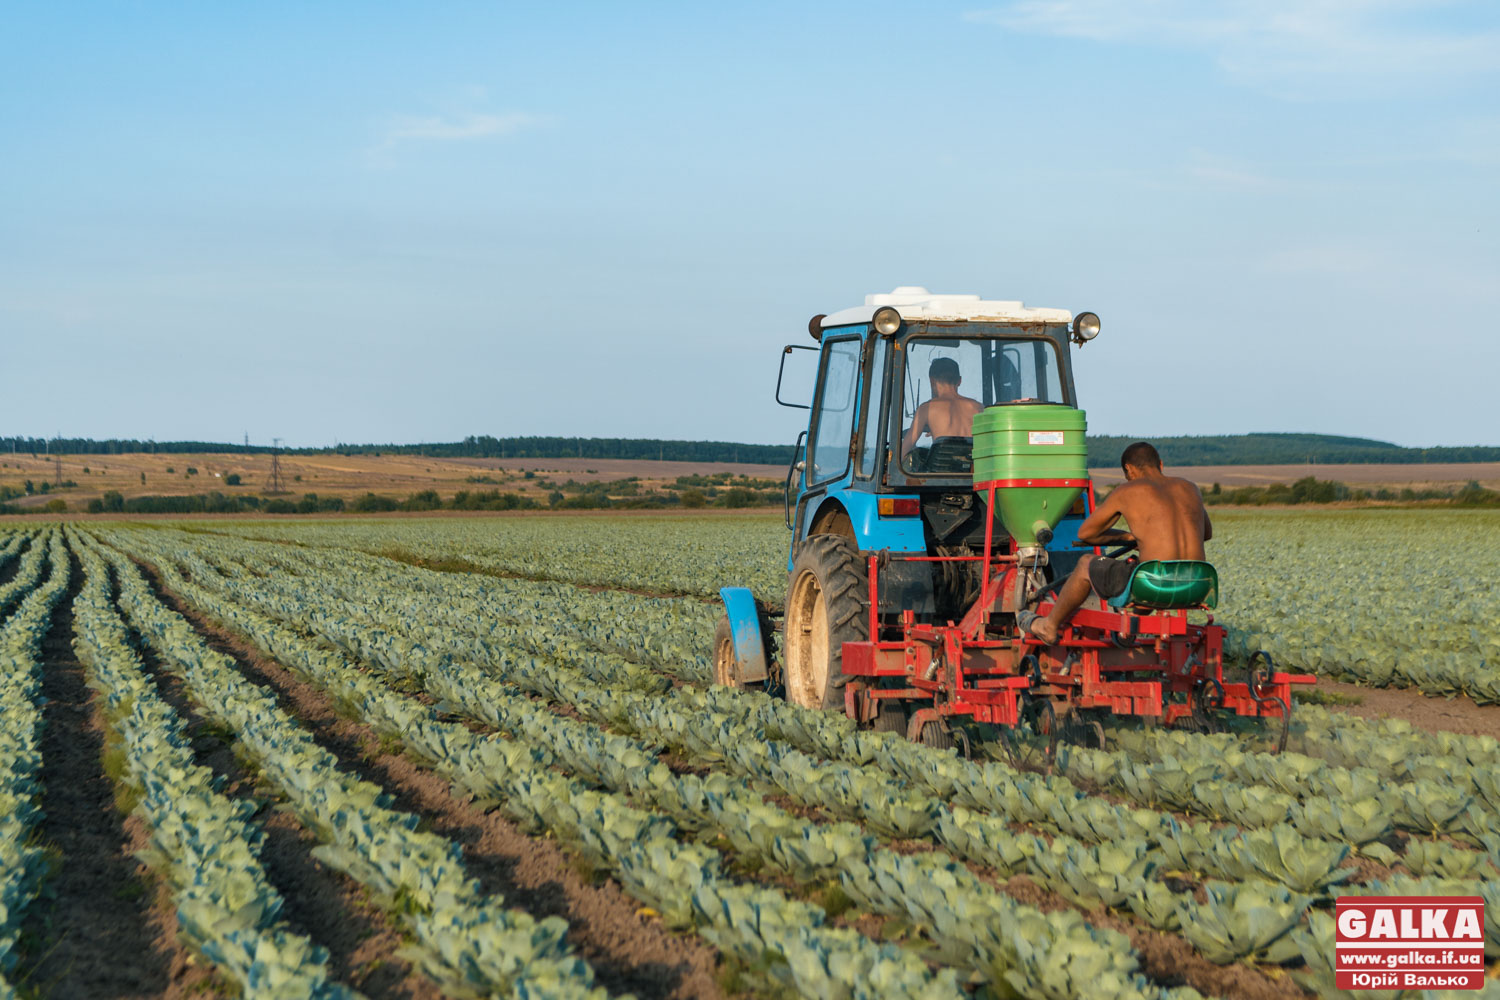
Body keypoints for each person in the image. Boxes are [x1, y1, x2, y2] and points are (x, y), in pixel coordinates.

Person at [1023, 441, 1212, 644]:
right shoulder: (1190, 488)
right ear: (1161, 464)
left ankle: (1049, 626)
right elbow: (1206, 533)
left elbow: (1086, 533)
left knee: (1086, 563)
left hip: (1155, 584)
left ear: (1128, 469)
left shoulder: (1128, 490)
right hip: (1199, 584)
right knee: (1143, 565)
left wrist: (1127, 537)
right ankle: (1132, 623)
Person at [902, 357, 983, 458]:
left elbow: (904, 450)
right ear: (959, 381)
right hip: (971, 471)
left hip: (941, 471)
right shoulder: (978, 407)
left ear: (932, 381)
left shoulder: (926, 408)